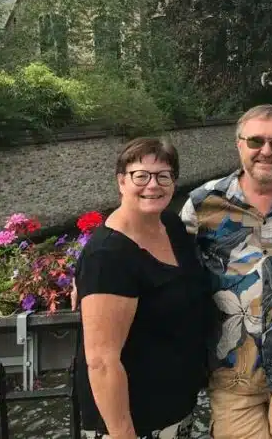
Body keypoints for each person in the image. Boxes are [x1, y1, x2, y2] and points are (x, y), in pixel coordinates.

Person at [180, 104, 272, 439]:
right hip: (231, 370)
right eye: (256, 141)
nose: (266, 151)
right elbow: (170, 266)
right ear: (239, 144)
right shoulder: (204, 204)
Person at [75, 138, 209, 439]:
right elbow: (101, 362)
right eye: (141, 176)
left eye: (163, 176)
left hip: (175, 409)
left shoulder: (171, 227)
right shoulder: (107, 256)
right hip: (134, 423)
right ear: (121, 181)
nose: (153, 185)